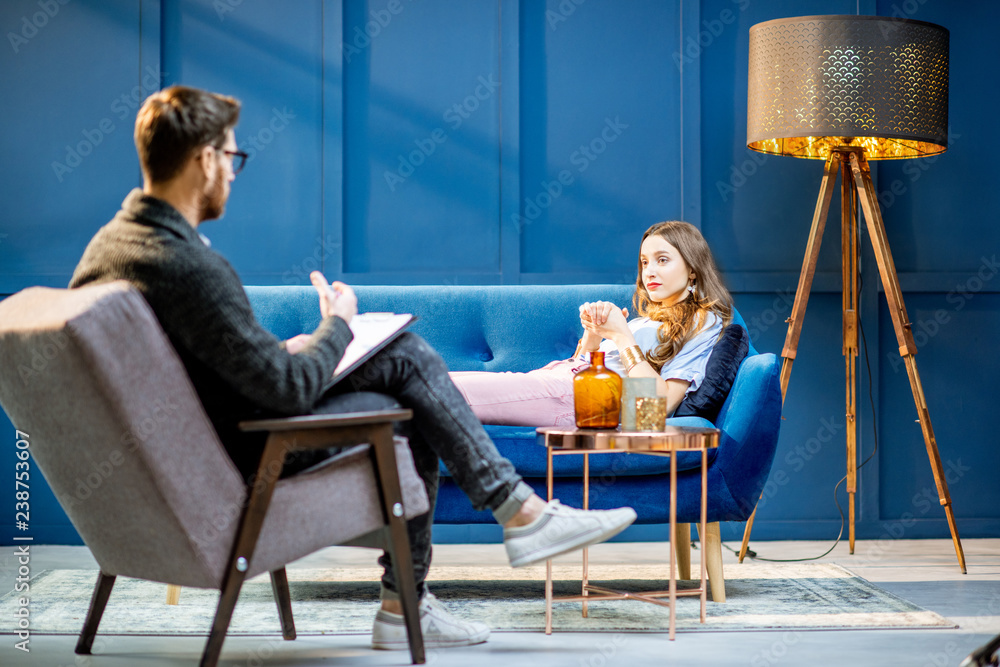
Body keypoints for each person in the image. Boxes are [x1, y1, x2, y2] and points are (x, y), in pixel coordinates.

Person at [68, 85, 636, 651]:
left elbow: (199, 369)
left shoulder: (112, 249)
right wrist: (336, 326)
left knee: (403, 370)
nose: (235, 173)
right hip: (246, 453)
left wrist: (289, 346)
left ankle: (472, 550)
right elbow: (287, 393)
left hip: (187, 448)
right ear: (204, 160)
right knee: (408, 375)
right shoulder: (190, 265)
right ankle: (485, 540)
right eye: (233, 157)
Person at [450, 221, 734, 426]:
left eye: (662, 260)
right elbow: (581, 363)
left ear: (693, 270)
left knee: (443, 394)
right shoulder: (649, 320)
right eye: (645, 262)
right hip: (561, 380)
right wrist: (593, 334)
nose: (650, 271)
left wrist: (623, 337)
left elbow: (656, 409)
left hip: (583, 401)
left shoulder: (704, 320)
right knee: (432, 381)